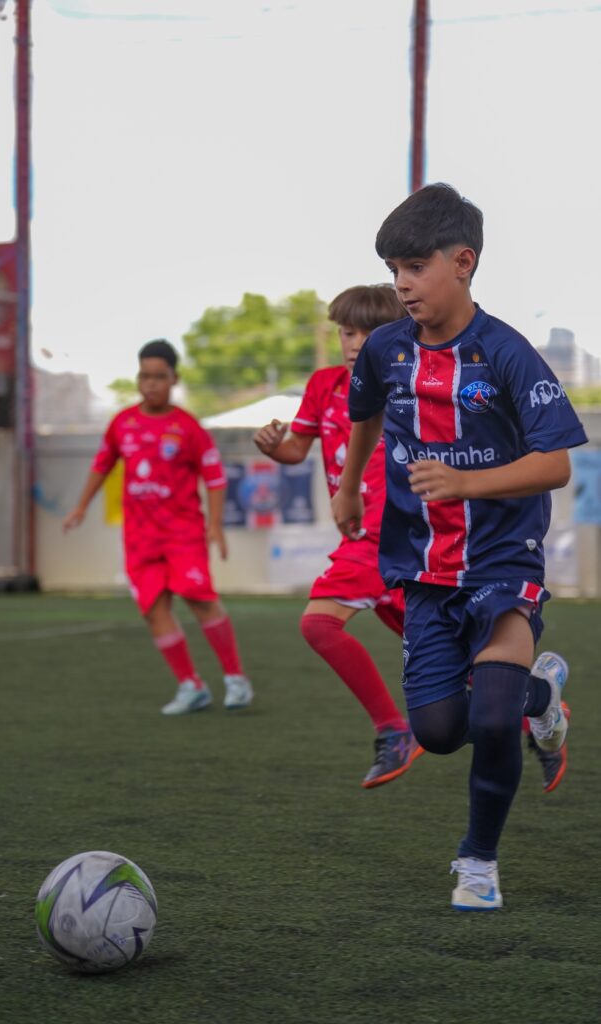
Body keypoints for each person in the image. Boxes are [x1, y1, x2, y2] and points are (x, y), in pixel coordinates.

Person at [332, 183, 587, 910]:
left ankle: (478, 861)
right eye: (394, 271)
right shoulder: (385, 349)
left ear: (463, 262)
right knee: (440, 731)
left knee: (493, 717)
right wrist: (349, 487)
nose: (402, 284)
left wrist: (466, 484)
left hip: (503, 561)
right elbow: (363, 412)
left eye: (415, 267)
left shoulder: (506, 352)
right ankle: (542, 695)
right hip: (422, 567)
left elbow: (555, 464)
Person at [254, 285, 423, 789]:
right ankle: (537, 708)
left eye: (369, 332)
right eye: (348, 332)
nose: (356, 342)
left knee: (319, 624)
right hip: (364, 537)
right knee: (443, 653)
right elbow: (296, 450)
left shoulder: (410, 384)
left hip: (393, 535)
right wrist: (273, 447)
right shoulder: (323, 384)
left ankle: (393, 730)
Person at [63, 339, 254, 716]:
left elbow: (215, 478)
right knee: (153, 609)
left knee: (200, 599)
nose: (150, 384)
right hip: (140, 537)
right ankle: (190, 685)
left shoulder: (188, 427)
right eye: (144, 376)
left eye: (158, 377)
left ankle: (236, 678)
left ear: (173, 379)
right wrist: (81, 507)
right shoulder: (122, 423)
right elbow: (102, 465)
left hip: (183, 534)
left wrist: (215, 525)